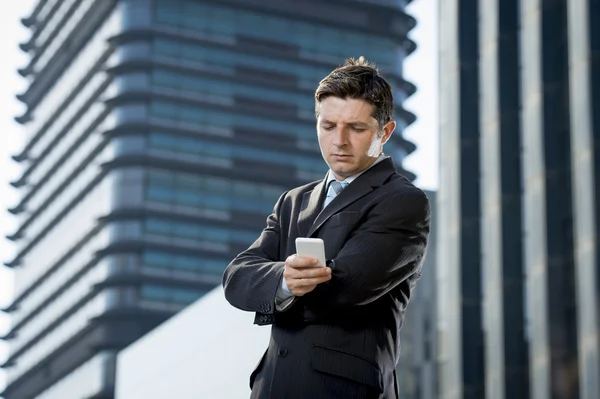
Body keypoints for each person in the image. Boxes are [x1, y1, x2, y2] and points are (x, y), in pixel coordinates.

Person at [222, 56, 430, 399]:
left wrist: (276, 286)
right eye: (328, 126)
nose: (339, 141)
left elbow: (347, 289)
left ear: (385, 131)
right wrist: (284, 280)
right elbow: (236, 279)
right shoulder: (293, 201)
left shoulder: (403, 201)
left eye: (356, 128)